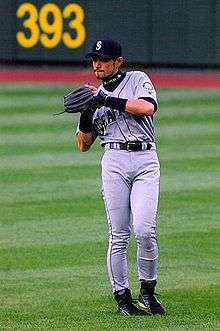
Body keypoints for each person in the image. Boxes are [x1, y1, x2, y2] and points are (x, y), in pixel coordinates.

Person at [76, 39, 166, 316]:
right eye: (94, 60)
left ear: (118, 61)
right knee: (118, 235)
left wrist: (104, 99)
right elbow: (83, 144)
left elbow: (147, 108)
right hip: (113, 161)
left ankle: (148, 293)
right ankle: (123, 299)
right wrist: (86, 114)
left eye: (103, 59)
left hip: (144, 160)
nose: (97, 64)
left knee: (145, 229)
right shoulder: (93, 97)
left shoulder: (138, 79)